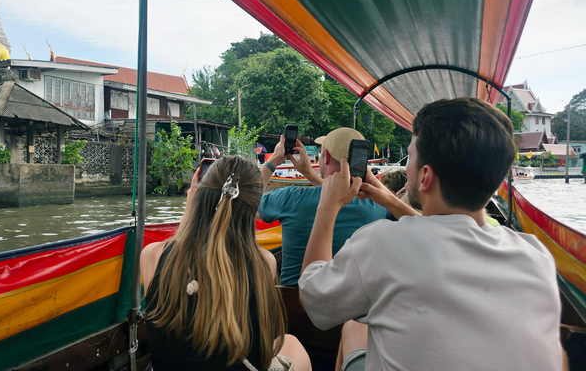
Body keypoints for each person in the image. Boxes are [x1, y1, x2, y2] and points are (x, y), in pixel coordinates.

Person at [299, 98, 563, 370]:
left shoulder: (381, 243)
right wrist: (391, 201)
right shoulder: (535, 255)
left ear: (425, 176)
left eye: (410, 156)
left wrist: (327, 206)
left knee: (354, 327)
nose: (407, 165)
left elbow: (314, 301)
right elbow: (446, 233)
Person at [141, 156, 311, 371]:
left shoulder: (151, 256)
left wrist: (190, 210)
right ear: (253, 208)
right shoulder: (263, 263)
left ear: (198, 197)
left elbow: (182, 250)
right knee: (292, 344)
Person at [258, 128, 388, 286]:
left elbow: (248, 201)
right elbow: (336, 195)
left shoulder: (291, 199)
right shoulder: (380, 207)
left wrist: (273, 161)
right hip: (358, 307)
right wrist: (309, 173)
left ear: (325, 157)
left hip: (295, 306)